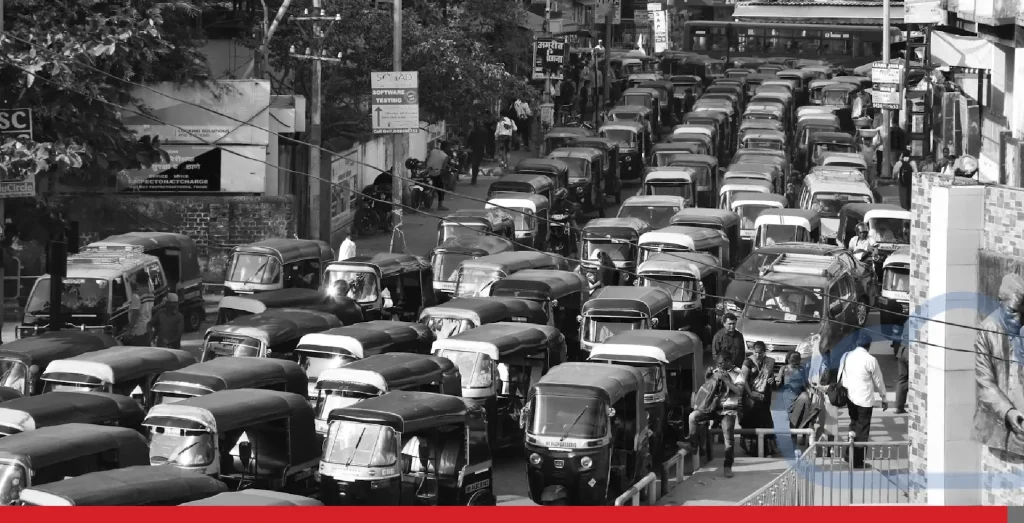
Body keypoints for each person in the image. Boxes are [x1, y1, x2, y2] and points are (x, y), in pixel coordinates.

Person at [972, 273, 1024, 456]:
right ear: (1000, 302)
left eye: (1023, 313)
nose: (1018, 320)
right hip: (997, 424)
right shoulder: (987, 330)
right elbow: (984, 383)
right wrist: (1008, 412)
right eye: (1012, 312)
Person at [685, 352, 749, 478]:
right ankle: (693, 444)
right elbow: (710, 387)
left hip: (728, 411)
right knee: (692, 417)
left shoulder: (738, 372)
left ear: (728, 361)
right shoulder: (717, 370)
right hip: (712, 408)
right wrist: (707, 376)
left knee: (729, 441)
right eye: (718, 363)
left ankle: (727, 467)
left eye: (721, 363)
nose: (718, 366)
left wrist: (726, 379)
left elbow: (739, 391)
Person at [839, 332, 888, 468]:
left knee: (853, 425)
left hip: (850, 397)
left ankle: (848, 456)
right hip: (864, 400)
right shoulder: (870, 360)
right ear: (869, 346)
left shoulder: (846, 356)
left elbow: (841, 375)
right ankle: (857, 461)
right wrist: (884, 397)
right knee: (862, 430)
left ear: (856, 344)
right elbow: (878, 381)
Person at [741, 341, 778, 456]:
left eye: (760, 353)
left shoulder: (769, 362)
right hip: (750, 399)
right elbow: (743, 380)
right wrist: (751, 393)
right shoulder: (748, 362)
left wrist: (772, 379)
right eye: (756, 353)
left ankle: (767, 449)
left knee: (765, 422)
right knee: (752, 422)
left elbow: (771, 376)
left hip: (763, 397)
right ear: (753, 352)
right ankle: (751, 449)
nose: (758, 356)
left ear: (764, 353)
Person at [125, 271, 155, 346]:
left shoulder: (136, 295)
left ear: (137, 281)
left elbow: (135, 314)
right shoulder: (151, 295)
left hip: (138, 330)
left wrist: (129, 330)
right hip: (149, 327)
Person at [425, 141, 451, 211]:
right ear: (447, 148)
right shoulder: (445, 156)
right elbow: (443, 168)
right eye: (449, 147)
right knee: (441, 189)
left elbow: (427, 158)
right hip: (435, 173)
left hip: (426, 171)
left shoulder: (433, 151)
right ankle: (440, 205)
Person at [467, 120, 489, 186]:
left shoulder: (473, 132)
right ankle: (474, 179)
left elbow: (469, 141)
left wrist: (467, 147)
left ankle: (474, 179)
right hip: (481, 149)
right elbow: (486, 141)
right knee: (476, 165)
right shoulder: (484, 131)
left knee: (474, 165)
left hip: (474, 149)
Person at [894, 327, 909, 414]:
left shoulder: (908, 320)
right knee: (914, 379)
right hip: (910, 351)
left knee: (902, 380)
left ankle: (899, 407)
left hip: (902, 350)